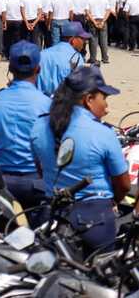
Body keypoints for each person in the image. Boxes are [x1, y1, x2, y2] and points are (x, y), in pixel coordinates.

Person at [30, 66, 129, 253]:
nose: (106, 106)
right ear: (89, 99)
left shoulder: (39, 126)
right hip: (96, 219)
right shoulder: (103, 133)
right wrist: (113, 201)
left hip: (53, 215)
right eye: (104, 98)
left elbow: (41, 170)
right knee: (103, 276)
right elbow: (123, 184)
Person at [0, 41, 52, 222]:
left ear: (10, 68)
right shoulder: (46, 104)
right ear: (38, 69)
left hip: (2, 182)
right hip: (36, 184)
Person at [36, 21, 88, 96]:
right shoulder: (76, 57)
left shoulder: (42, 54)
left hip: (41, 102)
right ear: (73, 40)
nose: (84, 42)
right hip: (63, 104)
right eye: (82, 38)